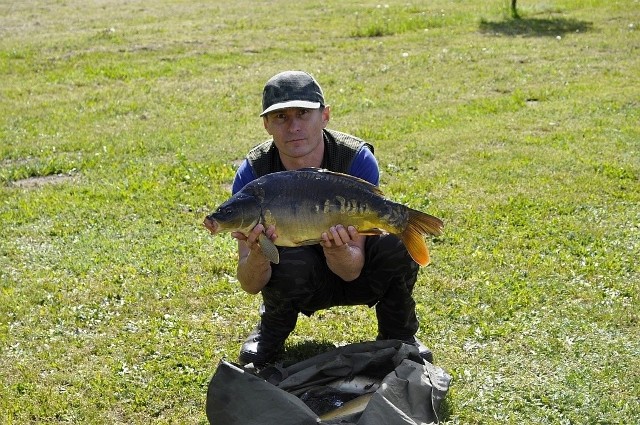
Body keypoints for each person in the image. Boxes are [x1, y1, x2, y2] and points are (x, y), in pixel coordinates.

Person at [230, 70, 433, 366]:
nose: (293, 126)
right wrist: (260, 254)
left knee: (395, 243)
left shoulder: (355, 159)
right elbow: (249, 282)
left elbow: (350, 271)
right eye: (281, 117)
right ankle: (270, 336)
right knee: (284, 259)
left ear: (325, 116)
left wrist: (338, 248)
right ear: (266, 125)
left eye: (303, 113)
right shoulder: (254, 175)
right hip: (298, 272)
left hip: (353, 266)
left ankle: (399, 335)